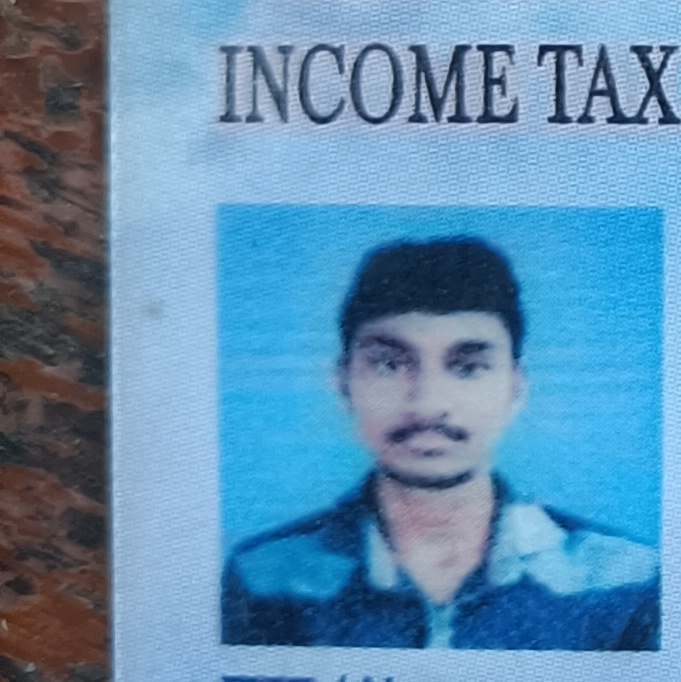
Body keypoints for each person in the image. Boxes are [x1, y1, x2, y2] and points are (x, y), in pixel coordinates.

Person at [222, 234, 659, 650]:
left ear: (516, 388)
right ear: (343, 383)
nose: (428, 404)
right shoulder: (267, 578)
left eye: (468, 368)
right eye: (389, 365)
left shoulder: (621, 578)